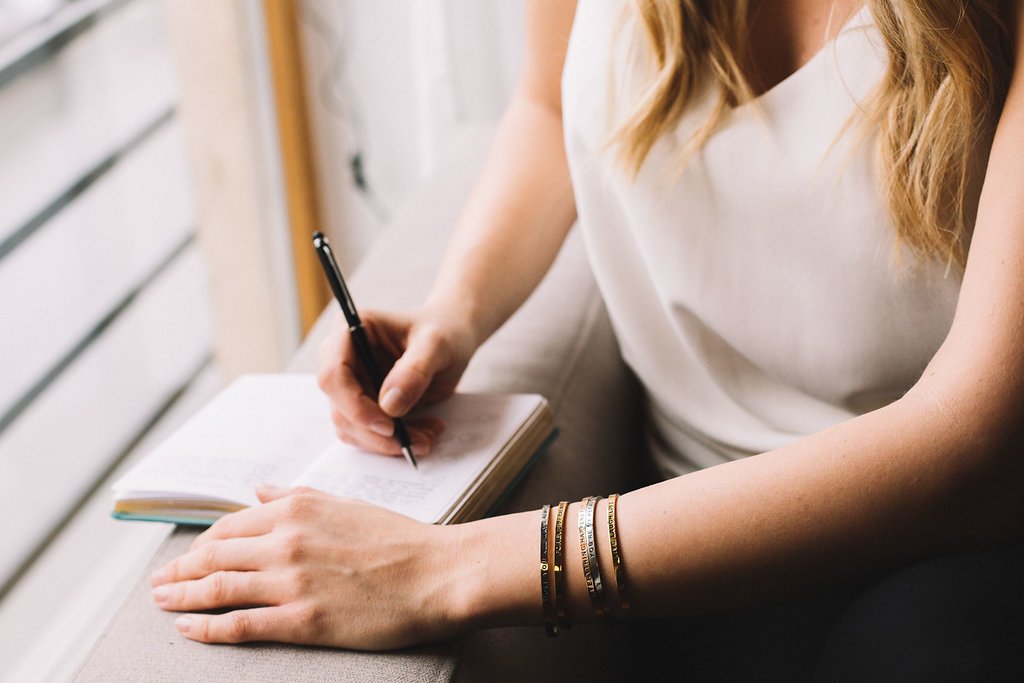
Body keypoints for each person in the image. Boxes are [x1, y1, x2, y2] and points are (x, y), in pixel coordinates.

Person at [149, 0, 1024, 677]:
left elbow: (973, 445)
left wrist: (443, 571)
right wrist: (456, 312)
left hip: (941, 549)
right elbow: (542, 104)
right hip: (678, 538)